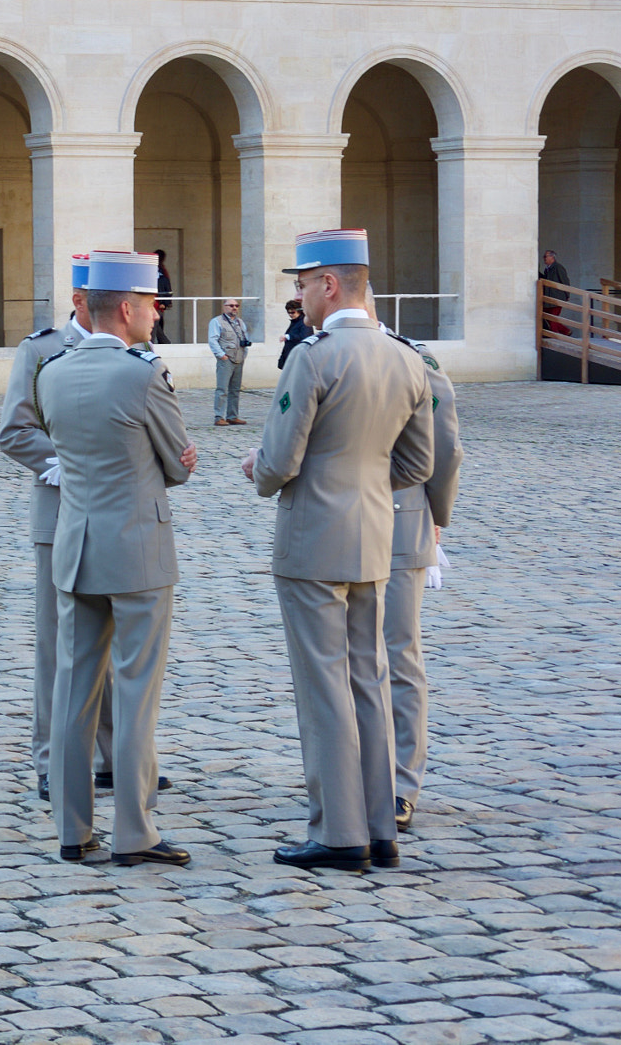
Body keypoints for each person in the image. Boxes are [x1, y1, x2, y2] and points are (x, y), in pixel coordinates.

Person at [243, 227, 433, 874]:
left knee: (323, 687)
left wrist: (256, 467)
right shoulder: (407, 359)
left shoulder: (314, 358)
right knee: (368, 681)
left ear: (329, 285)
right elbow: (419, 462)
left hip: (312, 542)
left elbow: (278, 462)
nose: (300, 298)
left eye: (302, 286)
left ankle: (338, 831)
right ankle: (381, 827)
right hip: (375, 537)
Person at [34, 250, 199, 868]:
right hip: (137, 548)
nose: (156, 316)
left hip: (76, 546)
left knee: (74, 692)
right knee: (135, 691)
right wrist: (176, 462)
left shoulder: (52, 371)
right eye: (153, 305)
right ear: (126, 308)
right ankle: (136, 830)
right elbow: (176, 463)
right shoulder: (142, 373)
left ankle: (73, 831)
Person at [0, 254, 115, 803]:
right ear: (78, 300)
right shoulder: (41, 350)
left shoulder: (132, 347)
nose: (125, 312)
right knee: (58, 644)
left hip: (120, 515)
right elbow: (15, 431)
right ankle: (52, 759)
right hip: (61, 511)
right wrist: (72, 465)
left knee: (118, 639)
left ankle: (115, 756)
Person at [386, 332, 461, 837]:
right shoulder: (314, 352)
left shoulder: (412, 355)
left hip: (399, 516)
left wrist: (435, 518)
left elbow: (445, 445)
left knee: (397, 654)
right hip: (340, 526)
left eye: (306, 284)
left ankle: (400, 782)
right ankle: (359, 775)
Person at [207, 298, 251, 426]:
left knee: (235, 389)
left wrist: (245, 353)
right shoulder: (217, 322)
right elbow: (213, 340)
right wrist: (221, 355)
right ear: (224, 307)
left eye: (236, 305)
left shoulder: (240, 322)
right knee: (222, 389)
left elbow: (245, 338)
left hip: (239, 358)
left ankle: (232, 416)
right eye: (231, 305)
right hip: (226, 359)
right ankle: (219, 416)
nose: (234, 308)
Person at [278, 298, 312, 369]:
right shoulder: (295, 322)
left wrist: (289, 337)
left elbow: (305, 337)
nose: (290, 315)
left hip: (298, 357)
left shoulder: (304, 322)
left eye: (292, 312)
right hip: (292, 355)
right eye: (289, 312)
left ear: (299, 311)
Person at [151, 249, 172, 344]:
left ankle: (161, 342)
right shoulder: (153, 269)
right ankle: (163, 342)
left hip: (157, 302)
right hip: (153, 302)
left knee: (156, 324)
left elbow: (166, 287)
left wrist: (164, 302)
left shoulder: (161, 271)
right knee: (156, 325)